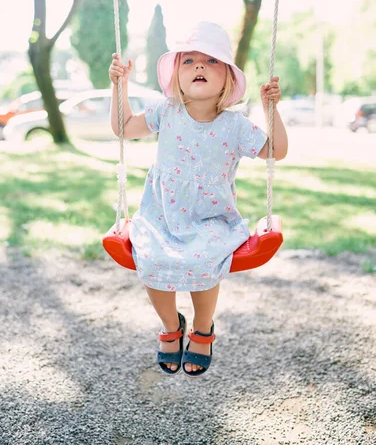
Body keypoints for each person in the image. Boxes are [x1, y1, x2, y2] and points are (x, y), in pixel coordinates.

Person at [109, 21, 288, 377]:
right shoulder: (166, 112)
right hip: (161, 216)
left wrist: (272, 109)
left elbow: (276, 152)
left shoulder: (235, 126)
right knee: (150, 256)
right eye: (188, 60)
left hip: (211, 220)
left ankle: (203, 327)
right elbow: (124, 127)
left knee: (205, 260)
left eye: (211, 60)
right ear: (176, 74)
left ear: (228, 79)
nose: (199, 66)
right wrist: (120, 86)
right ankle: (170, 326)